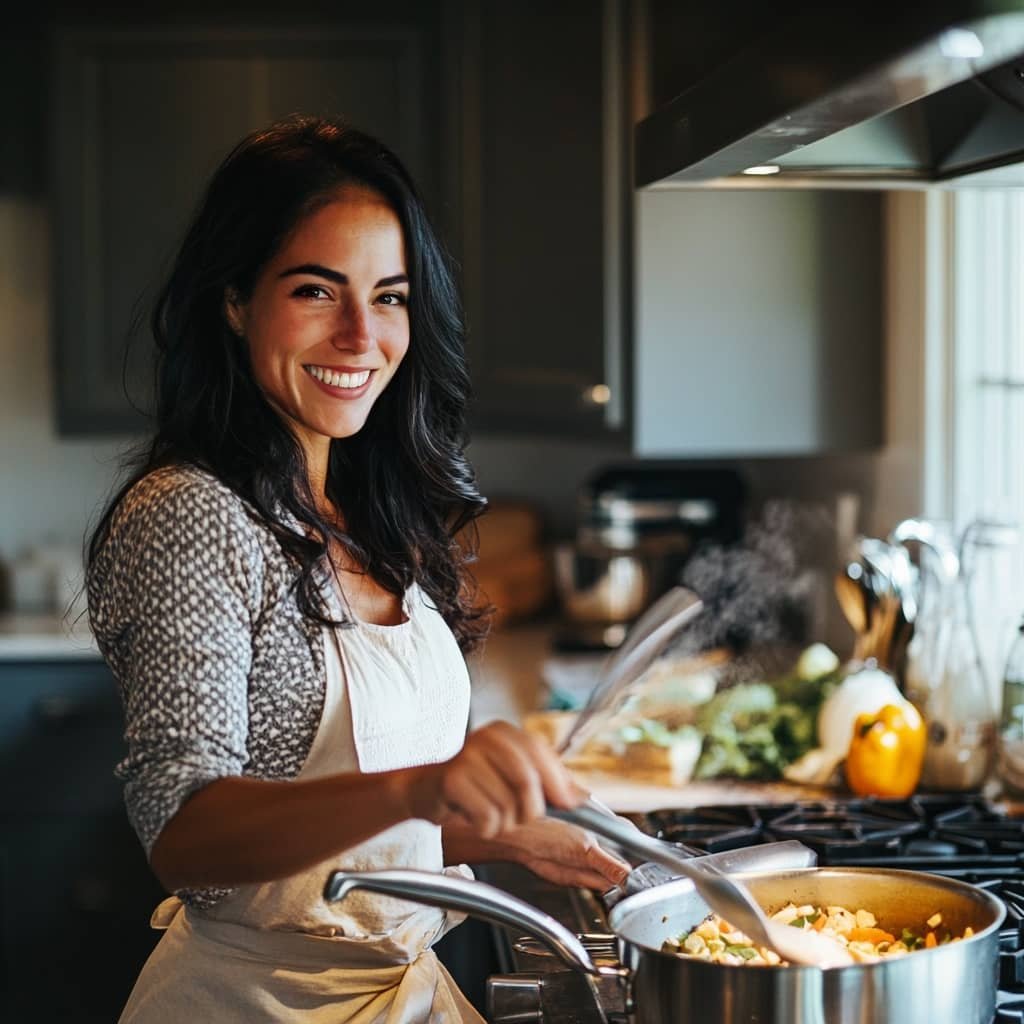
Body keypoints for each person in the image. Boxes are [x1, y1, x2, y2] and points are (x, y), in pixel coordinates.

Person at [85, 115, 629, 1023]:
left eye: (390, 297)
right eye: (315, 290)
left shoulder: (362, 511)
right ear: (233, 298)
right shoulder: (193, 516)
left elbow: (339, 849)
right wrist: (425, 786)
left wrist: (499, 833)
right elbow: (182, 830)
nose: (359, 335)